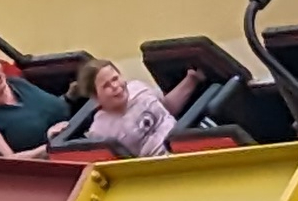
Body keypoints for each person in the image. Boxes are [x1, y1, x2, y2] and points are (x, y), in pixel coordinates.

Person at [76, 60, 207, 158]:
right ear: (96, 97)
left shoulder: (138, 87)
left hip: (186, 142)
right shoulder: (99, 131)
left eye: (115, 79)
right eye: (106, 86)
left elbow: (167, 106)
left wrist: (192, 79)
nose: (115, 86)